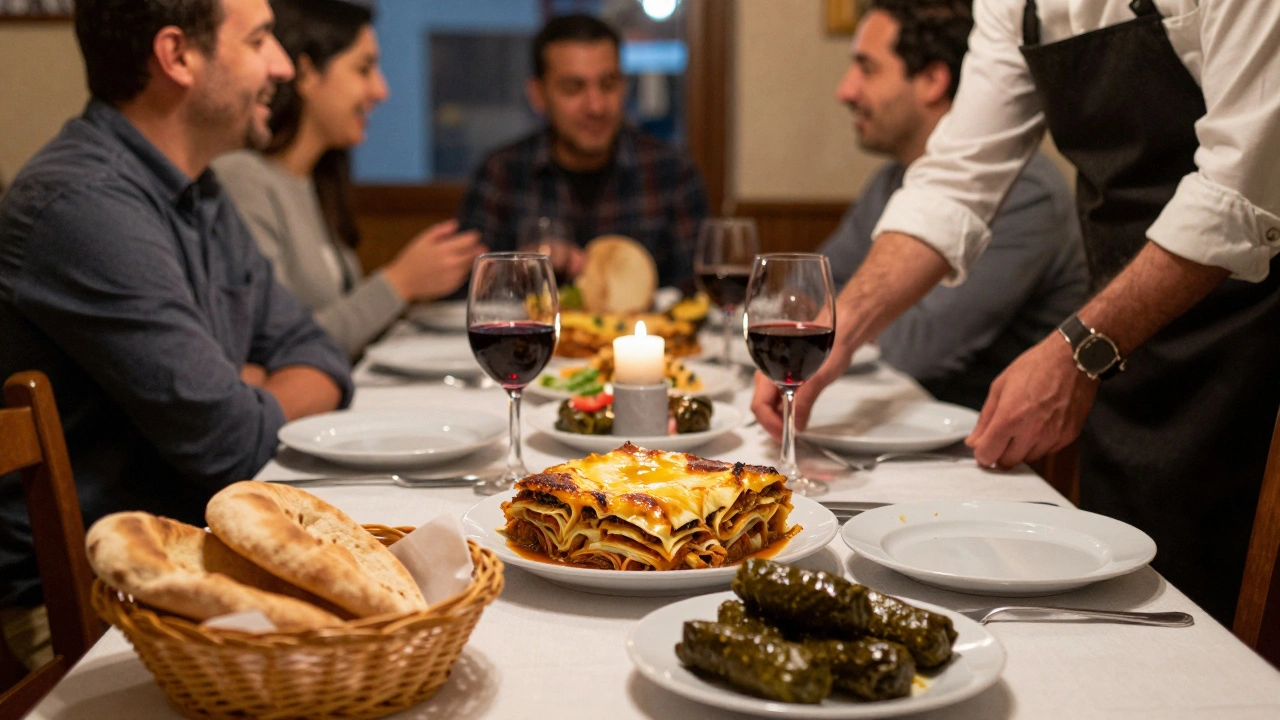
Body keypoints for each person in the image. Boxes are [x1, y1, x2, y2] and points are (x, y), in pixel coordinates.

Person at [753, 0, 1280, 626]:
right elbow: (955, 182)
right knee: (1119, 602)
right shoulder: (1011, 5)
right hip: (1116, 330)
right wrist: (840, 331)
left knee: (1217, 620)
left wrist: (1079, 349)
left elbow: (1242, 185)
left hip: (1241, 334)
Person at [0, 0, 353, 668]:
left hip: (185, 566)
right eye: (259, 40)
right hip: (82, 609)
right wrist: (243, 392)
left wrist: (252, 391)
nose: (282, 64)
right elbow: (232, 443)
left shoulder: (198, 190)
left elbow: (322, 355)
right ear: (177, 56)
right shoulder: (83, 205)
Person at [818, 0, 1087, 410]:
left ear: (931, 79)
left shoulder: (1025, 192)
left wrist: (843, 319)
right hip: (893, 421)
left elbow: (915, 349)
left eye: (867, 68)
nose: (844, 91)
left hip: (981, 448)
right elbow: (815, 288)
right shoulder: (892, 179)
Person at [214, 0, 485, 358]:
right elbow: (275, 348)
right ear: (307, 73)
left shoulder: (315, 181)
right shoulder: (242, 178)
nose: (381, 90)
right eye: (363, 68)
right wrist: (400, 283)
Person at [457, 13, 708, 289]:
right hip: (534, 331)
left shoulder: (672, 171)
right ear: (538, 95)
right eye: (573, 88)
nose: (595, 106)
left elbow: (698, 296)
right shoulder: (501, 172)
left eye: (608, 84)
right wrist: (524, 268)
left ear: (624, 86)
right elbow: (470, 292)